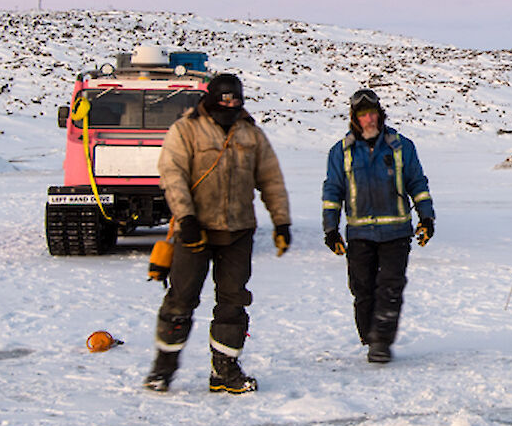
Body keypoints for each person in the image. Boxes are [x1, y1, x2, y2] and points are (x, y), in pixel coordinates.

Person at [144, 73, 292, 394]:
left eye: (235, 99)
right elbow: (172, 174)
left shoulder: (250, 133)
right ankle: (163, 369)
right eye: (224, 99)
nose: (229, 104)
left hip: (238, 232)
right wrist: (186, 218)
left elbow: (271, 180)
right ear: (210, 98)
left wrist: (281, 223)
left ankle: (224, 370)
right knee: (181, 300)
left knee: (233, 302)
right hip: (195, 231)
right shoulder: (186, 129)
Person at [322, 88, 435, 364]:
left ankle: (380, 341)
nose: (369, 119)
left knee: (390, 287)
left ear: (380, 115)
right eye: (363, 115)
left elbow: (417, 183)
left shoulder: (401, 146)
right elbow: (333, 191)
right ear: (354, 119)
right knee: (362, 289)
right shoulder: (341, 152)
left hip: (396, 232)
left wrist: (427, 217)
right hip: (359, 233)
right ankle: (368, 335)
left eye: (373, 113)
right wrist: (330, 229)